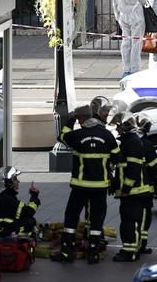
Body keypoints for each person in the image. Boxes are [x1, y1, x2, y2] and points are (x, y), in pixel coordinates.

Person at [52, 105, 121, 264]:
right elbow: (117, 159)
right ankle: (93, 253)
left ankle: (66, 252)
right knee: (97, 219)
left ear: (80, 118)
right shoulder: (108, 136)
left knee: (71, 216)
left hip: (80, 186)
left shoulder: (76, 135)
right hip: (100, 187)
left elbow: (62, 136)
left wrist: (70, 120)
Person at [109, 112, 157, 262]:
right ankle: (133, 249)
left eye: (118, 126)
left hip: (133, 193)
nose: (116, 129)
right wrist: (116, 184)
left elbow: (134, 168)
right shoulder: (129, 141)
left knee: (129, 222)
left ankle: (129, 252)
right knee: (132, 222)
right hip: (134, 192)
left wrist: (125, 189)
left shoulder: (132, 142)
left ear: (125, 126)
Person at [0, 167, 40, 243]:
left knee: (30, 221)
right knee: (29, 222)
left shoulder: (6, 196)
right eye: (15, 179)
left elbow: (24, 214)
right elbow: (29, 212)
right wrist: (34, 195)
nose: (18, 181)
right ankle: (25, 240)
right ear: (9, 182)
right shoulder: (8, 199)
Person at [112, 0, 148, 77]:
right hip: (136, 17)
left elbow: (114, 3)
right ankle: (135, 70)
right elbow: (144, 0)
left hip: (123, 16)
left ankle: (126, 68)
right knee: (136, 43)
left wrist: (118, 17)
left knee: (126, 43)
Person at [135, 114, 157, 255]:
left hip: (129, 189)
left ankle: (134, 244)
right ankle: (141, 245)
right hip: (145, 188)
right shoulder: (147, 144)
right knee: (144, 217)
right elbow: (155, 166)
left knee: (132, 217)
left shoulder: (127, 142)